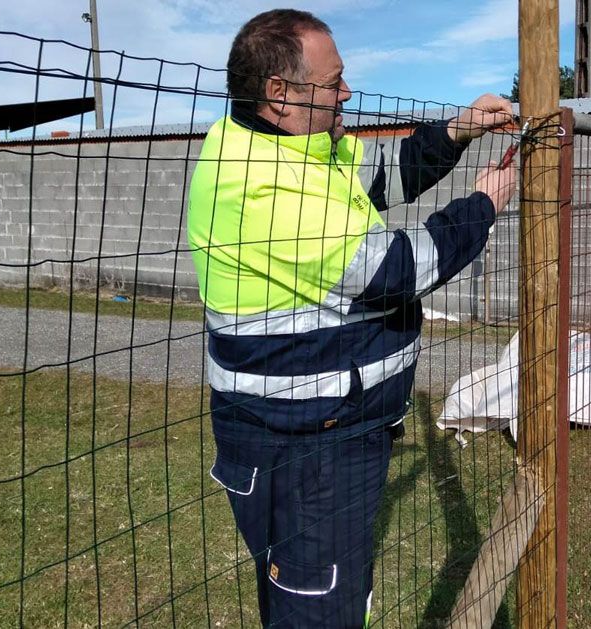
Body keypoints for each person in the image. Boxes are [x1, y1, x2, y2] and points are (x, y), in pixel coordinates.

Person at [185, 9, 516, 627]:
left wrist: (459, 130)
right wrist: (482, 206)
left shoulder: (301, 147)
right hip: (302, 449)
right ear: (280, 93)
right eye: (333, 81)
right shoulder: (260, 184)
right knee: (319, 613)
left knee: (334, 599)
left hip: (328, 432)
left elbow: (389, 173)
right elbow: (389, 270)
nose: (347, 92)